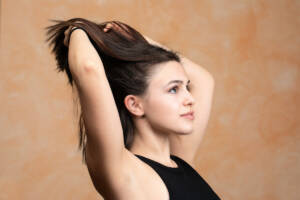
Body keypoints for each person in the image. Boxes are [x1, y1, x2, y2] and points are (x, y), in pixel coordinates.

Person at [46, 18, 220, 200]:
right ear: (135, 104)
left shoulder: (180, 161)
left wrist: (141, 43)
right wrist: (76, 28)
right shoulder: (125, 174)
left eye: (186, 87)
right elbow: (89, 69)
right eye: (174, 89)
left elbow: (203, 80)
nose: (190, 99)